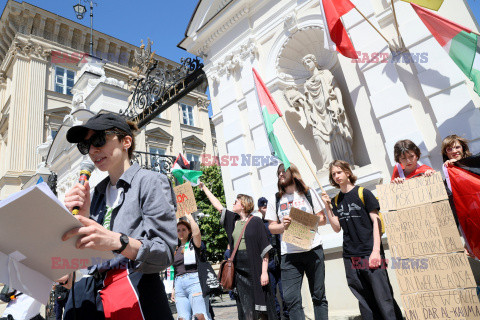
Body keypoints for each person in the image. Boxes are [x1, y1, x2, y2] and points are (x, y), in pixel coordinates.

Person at [61, 112, 177, 320]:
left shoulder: (150, 182)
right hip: (89, 295)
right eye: (86, 146)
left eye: (98, 140)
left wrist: (117, 241)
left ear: (126, 141)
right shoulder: (95, 193)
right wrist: (82, 217)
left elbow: (164, 253)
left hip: (134, 293)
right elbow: (89, 260)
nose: (93, 150)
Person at [323, 160, 403, 319]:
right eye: (333, 174)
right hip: (350, 256)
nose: (337, 176)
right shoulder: (336, 200)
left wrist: (375, 252)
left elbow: (376, 221)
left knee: (383, 296)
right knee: (364, 299)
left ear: (347, 172)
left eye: (339, 172)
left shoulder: (363, 193)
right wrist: (327, 208)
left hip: (369, 252)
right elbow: (337, 228)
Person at [199, 182, 275, 320]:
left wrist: (264, 272)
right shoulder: (233, 220)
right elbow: (218, 206)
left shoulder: (256, 221)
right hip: (239, 271)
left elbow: (265, 249)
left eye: (236, 202)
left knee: (261, 307)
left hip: (255, 269)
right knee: (245, 306)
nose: (233, 204)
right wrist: (203, 188)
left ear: (244, 205)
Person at [265, 163, 328, 320]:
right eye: (278, 173)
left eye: (283, 172)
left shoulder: (308, 193)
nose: (280, 175)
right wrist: (283, 225)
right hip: (289, 255)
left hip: (313, 250)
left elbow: (323, 219)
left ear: (293, 173)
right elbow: (272, 227)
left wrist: (304, 220)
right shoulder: (275, 199)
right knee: (291, 299)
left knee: (318, 296)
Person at [171, 213, 212, 320]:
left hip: (194, 282)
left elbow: (197, 234)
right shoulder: (175, 249)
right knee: (182, 318)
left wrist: (190, 218)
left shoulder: (194, 244)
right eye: (178, 230)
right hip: (179, 285)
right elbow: (176, 270)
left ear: (189, 231)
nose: (181, 232)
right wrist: (174, 288)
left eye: (184, 229)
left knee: (200, 316)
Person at [258, 197, 289, 320]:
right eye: (264, 207)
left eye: (267, 206)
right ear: (260, 209)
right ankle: (276, 316)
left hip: (280, 259)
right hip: (268, 260)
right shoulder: (259, 224)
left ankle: (287, 316)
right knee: (271, 293)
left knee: (284, 292)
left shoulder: (275, 222)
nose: (266, 209)